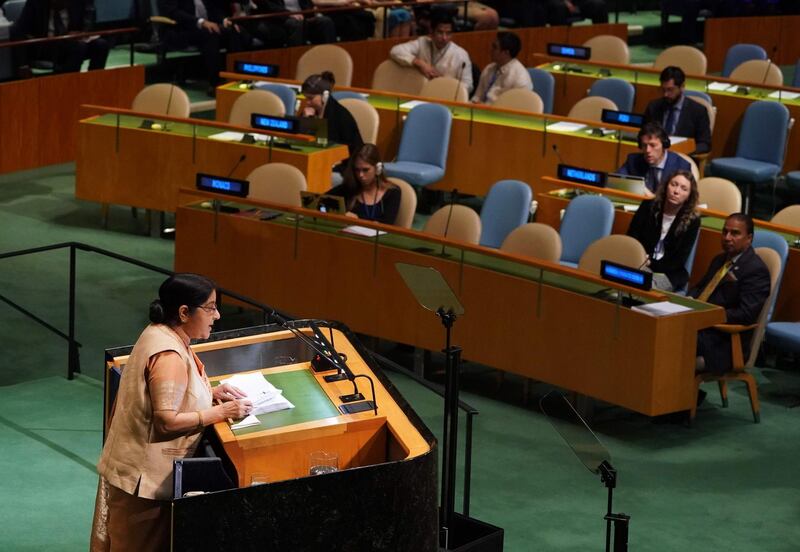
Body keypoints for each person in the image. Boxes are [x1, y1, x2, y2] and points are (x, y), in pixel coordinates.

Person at [91, 273, 252, 551]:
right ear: (184, 312)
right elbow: (166, 421)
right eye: (210, 307)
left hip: (129, 470)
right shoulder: (169, 355)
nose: (217, 315)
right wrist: (221, 411)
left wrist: (209, 394)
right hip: (144, 484)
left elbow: (164, 397)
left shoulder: (158, 331)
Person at [690, 213, 771, 375]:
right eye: (725, 232)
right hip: (701, 327)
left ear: (749, 238)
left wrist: (710, 316)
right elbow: (699, 289)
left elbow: (746, 314)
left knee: (672, 341)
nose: (727, 238)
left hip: (725, 340)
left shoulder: (756, 270)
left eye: (735, 233)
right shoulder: (719, 260)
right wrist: (688, 300)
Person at [626, 170, 701, 291]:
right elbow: (632, 237)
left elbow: (679, 260)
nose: (676, 191)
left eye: (684, 189)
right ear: (666, 186)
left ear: (689, 196)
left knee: (647, 286)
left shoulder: (693, 221)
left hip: (669, 272)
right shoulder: (648, 206)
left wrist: (651, 263)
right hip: (639, 263)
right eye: (674, 184)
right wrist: (639, 258)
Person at [158, 0, 250, 95]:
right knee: (209, 35)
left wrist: (225, 20)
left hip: (205, 28)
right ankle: (215, 84)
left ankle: (238, 80)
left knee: (234, 32)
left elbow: (213, 10)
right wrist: (201, 22)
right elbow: (173, 12)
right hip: (179, 30)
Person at [10, 0, 109, 75]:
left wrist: (83, 32)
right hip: (45, 46)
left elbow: (90, 15)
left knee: (101, 45)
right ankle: (68, 86)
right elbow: (18, 30)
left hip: (73, 42)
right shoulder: (36, 3)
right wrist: (23, 65)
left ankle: (94, 83)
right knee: (78, 48)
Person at [390, 11, 473, 93]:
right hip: (421, 92)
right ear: (432, 32)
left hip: (446, 96)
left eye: (448, 33)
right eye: (440, 32)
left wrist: (444, 83)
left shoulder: (461, 54)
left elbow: (468, 86)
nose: (444, 38)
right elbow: (395, 51)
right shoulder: (422, 43)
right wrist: (419, 63)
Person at [300, 71, 363, 172]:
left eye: (311, 98)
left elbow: (336, 146)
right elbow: (301, 139)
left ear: (325, 95)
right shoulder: (309, 111)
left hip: (345, 167)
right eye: (306, 98)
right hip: (318, 161)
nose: (307, 102)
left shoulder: (341, 115)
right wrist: (306, 120)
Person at [644, 66, 712, 155]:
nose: (665, 94)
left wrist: (684, 149)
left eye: (670, 90)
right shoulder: (653, 107)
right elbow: (643, 133)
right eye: (663, 89)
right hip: (654, 156)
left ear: (682, 87)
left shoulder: (698, 111)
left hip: (682, 158)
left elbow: (705, 144)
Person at [327, 143, 401, 224]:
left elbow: (386, 225)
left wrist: (358, 220)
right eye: (357, 170)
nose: (360, 175)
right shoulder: (349, 188)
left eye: (365, 170)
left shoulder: (393, 192)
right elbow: (320, 201)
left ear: (378, 168)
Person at [617, 122, 691, 194]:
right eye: (644, 145)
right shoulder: (633, 160)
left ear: (664, 145)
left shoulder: (681, 165)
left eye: (653, 145)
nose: (647, 150)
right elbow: (617, 181)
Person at [471, 31, 532, 105]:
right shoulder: (489, 69)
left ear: (506, 53)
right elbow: (477, 97)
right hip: (480, 112)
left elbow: (514, 109)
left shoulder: (519, 78)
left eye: (495, 47)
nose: (491, 50)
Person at [248, 0, 336, 47]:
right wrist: (289, 14)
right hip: (278, 20)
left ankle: (329, 54)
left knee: (325, 22)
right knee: (296, 25)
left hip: (301, 18)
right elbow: (269, 7)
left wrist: (309, 13)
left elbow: (307, 4)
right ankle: (297, 59)